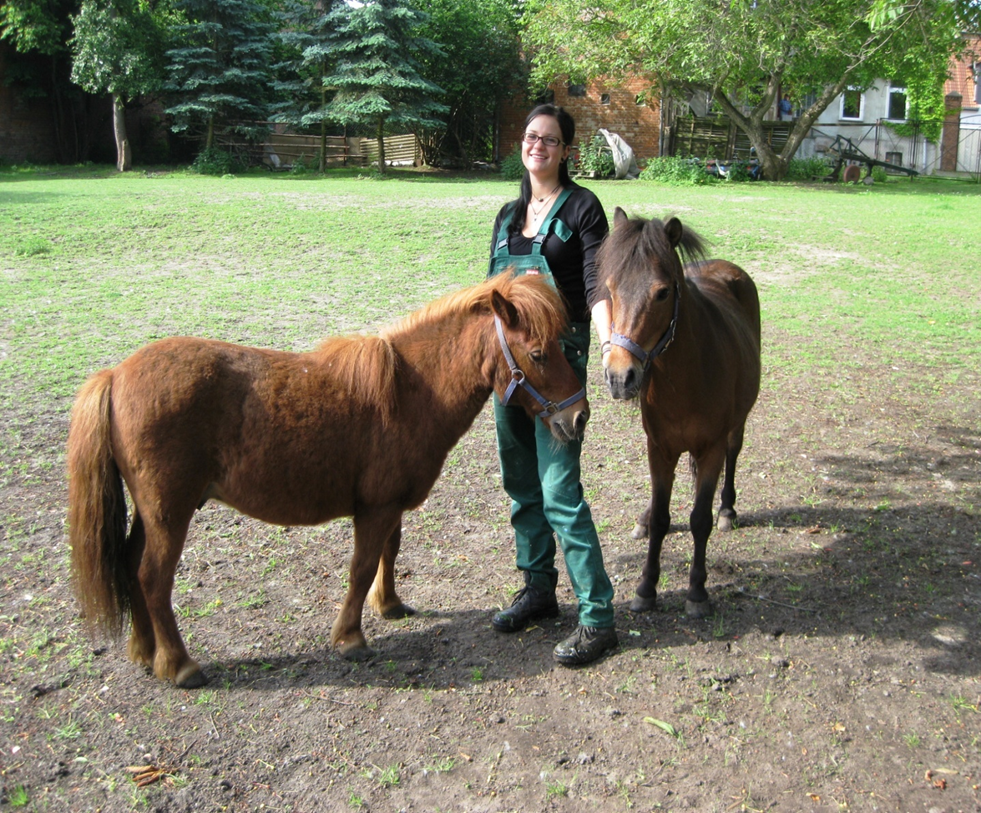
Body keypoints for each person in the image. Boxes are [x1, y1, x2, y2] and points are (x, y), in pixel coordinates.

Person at [486, 104, 617, 666]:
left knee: (560, 490)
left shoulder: (584, 208)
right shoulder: (505, 215)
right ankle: (538, 589)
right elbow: (487, 296)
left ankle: (598, 615)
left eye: (551, 139)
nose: (538, 145)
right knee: (521, 483)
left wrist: (610, 342)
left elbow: (596, 282)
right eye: (531, 136)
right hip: (509, 372)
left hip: (559, 369)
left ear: (566, 150)